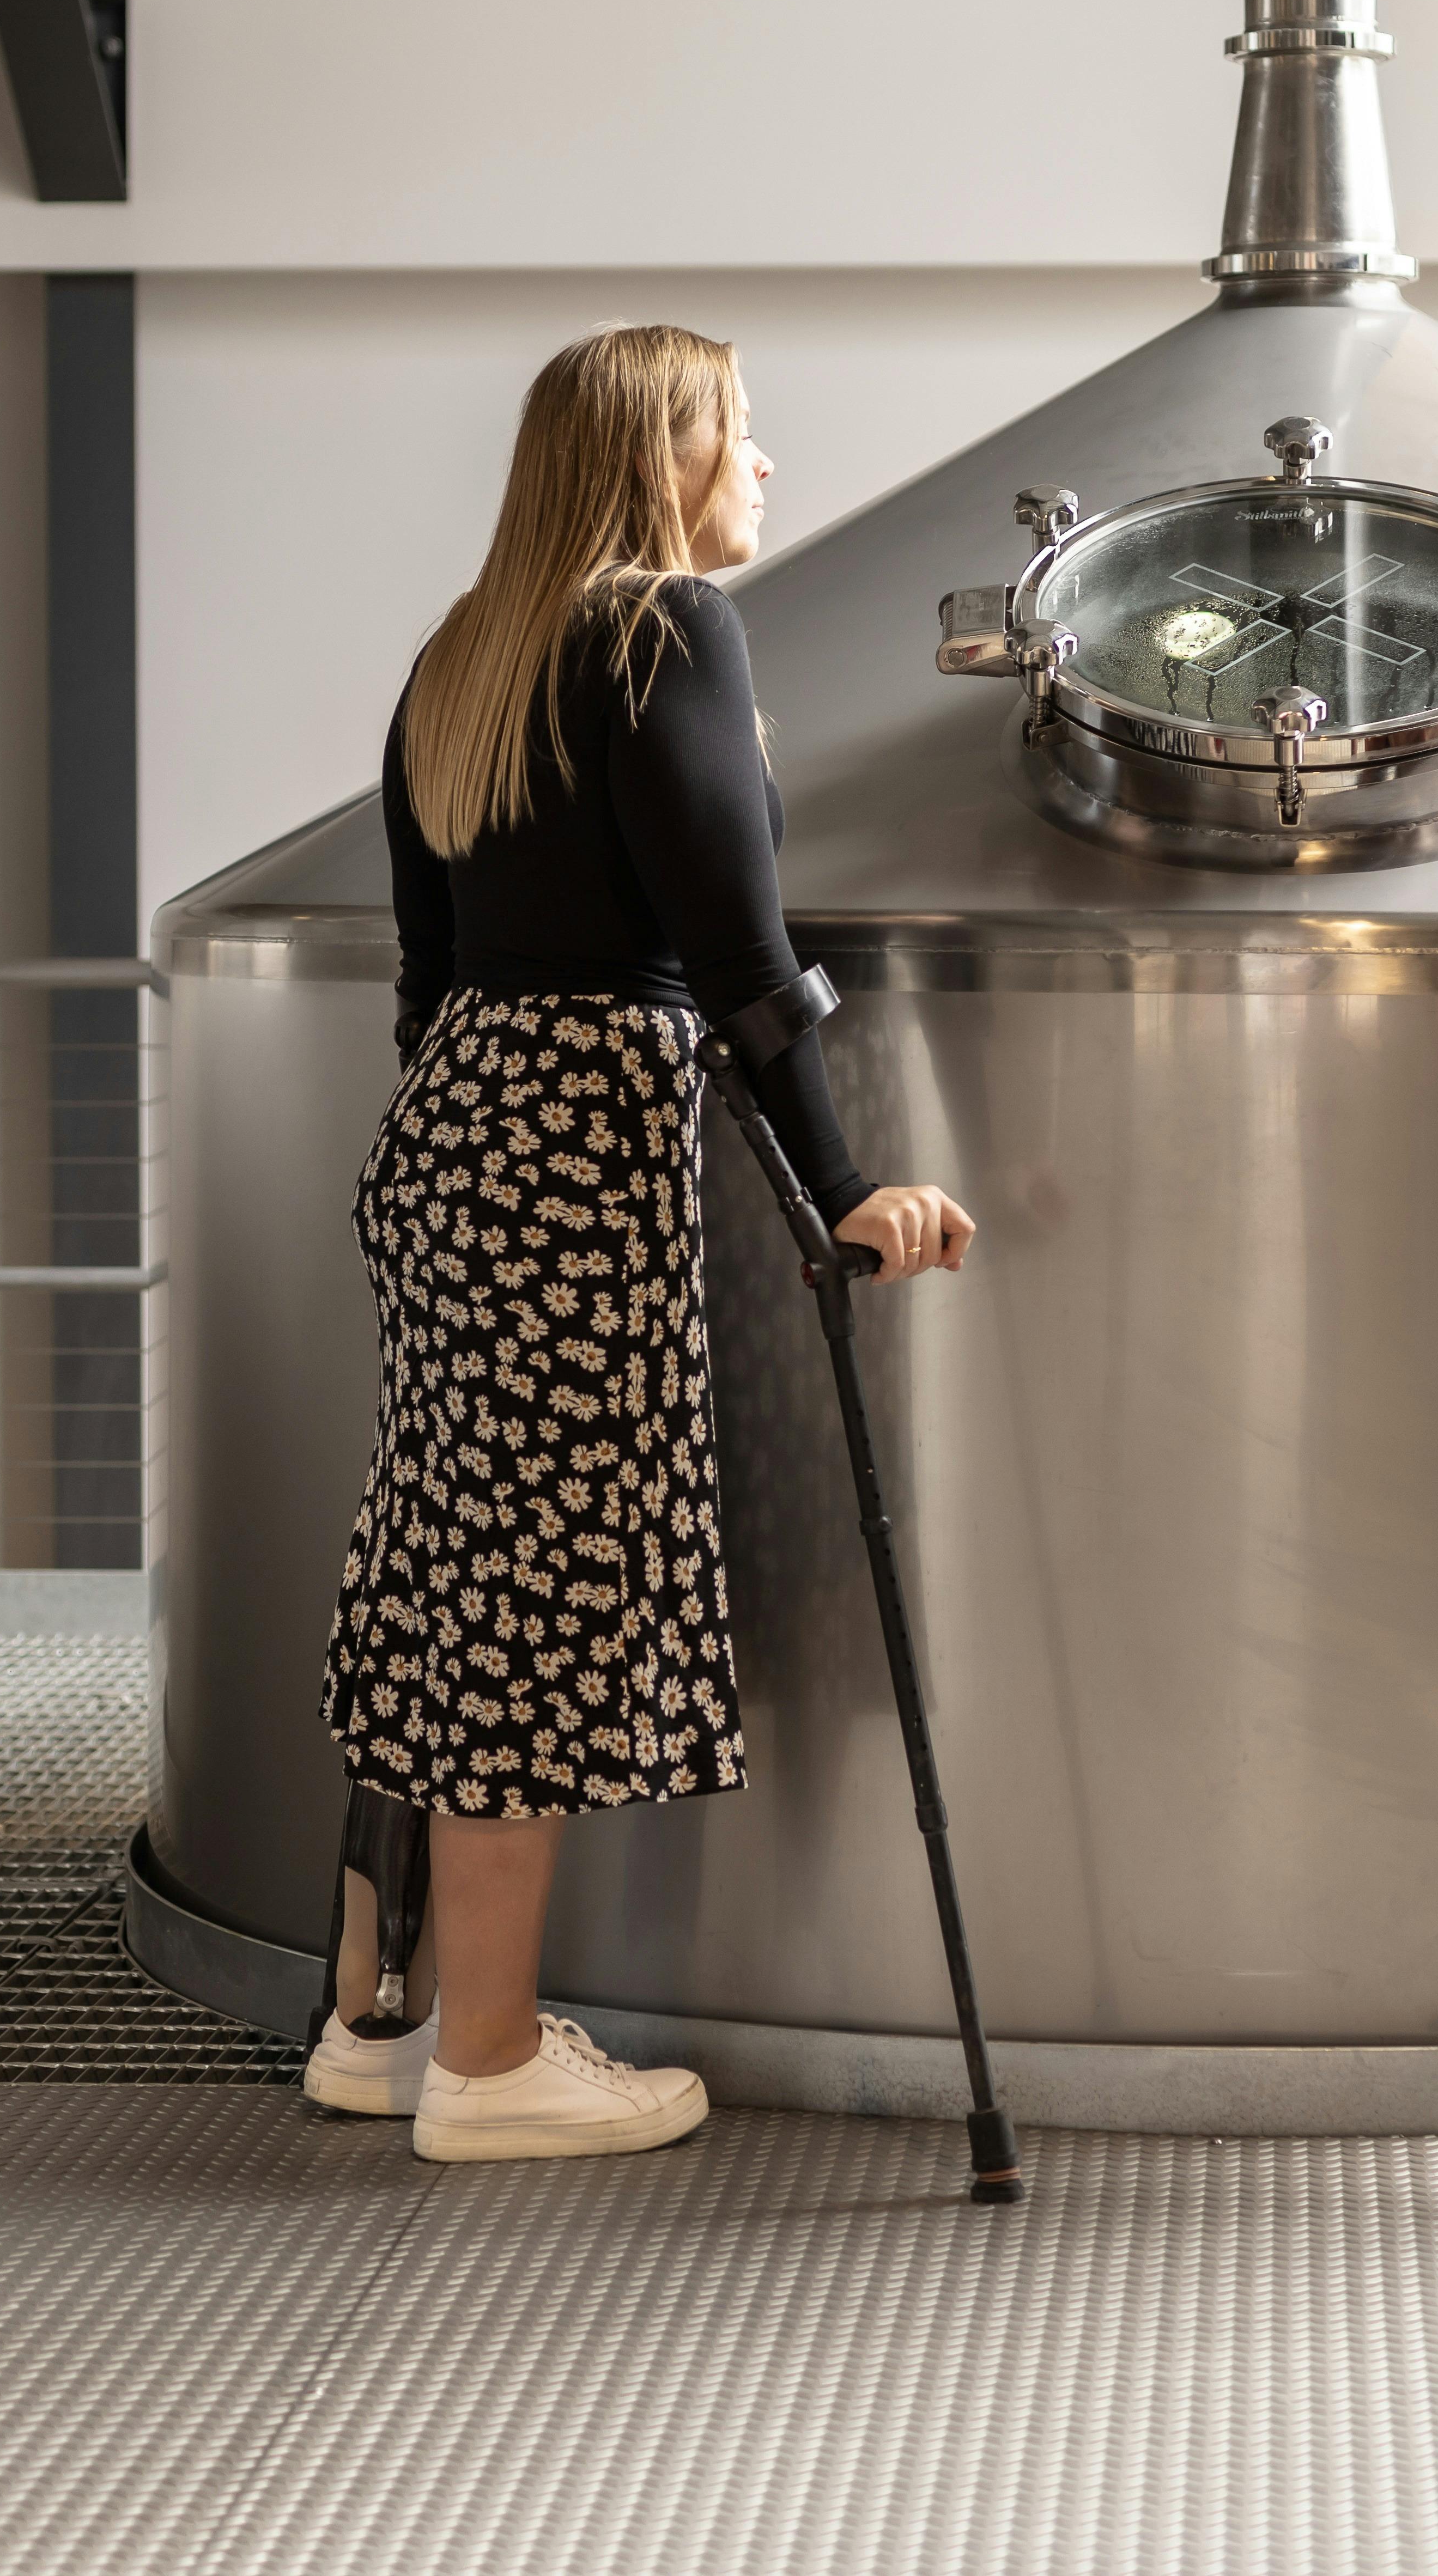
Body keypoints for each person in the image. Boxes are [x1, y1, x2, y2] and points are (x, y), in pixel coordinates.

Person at [306, 322, 979, 2165]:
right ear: (660, 456)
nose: (763, 466)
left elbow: (429, 971)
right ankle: (496, 2065)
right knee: (533, 1594)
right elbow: (739, 955)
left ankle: (378, 2022)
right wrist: (844, 1188)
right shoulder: (663, 632)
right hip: (583, 1132)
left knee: (441, 1560)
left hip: (453, 1125)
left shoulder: (467, 654)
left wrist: (472, 1143)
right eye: (737, 435)